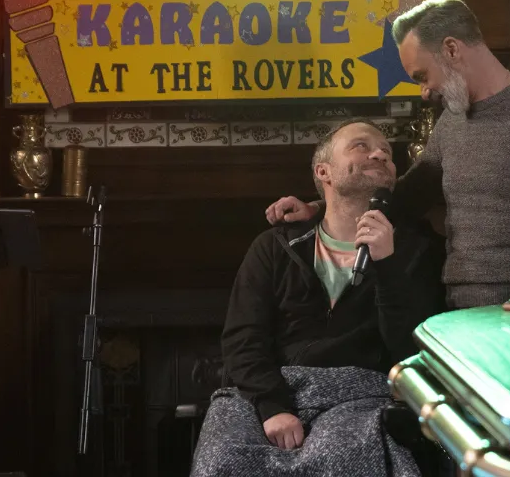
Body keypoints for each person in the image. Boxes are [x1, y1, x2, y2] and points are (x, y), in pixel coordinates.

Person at [265, 0, 510, 308]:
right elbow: (407, 198)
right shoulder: (451, 121)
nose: (424, 93)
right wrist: (320, 208)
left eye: (422, 76)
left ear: (452, 49)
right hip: (456, 306)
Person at [191, 119, 446, 476]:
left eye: (387, 154)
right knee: (222, 458)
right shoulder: (275, 247)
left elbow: (410, 349)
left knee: (344, 457)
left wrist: (387, 267)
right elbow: (242, 338)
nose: (380, 154)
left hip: (361, 395)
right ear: (323, 172)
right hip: (272, 391)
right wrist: (273, 406)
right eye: (361, 146)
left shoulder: (417, 250)